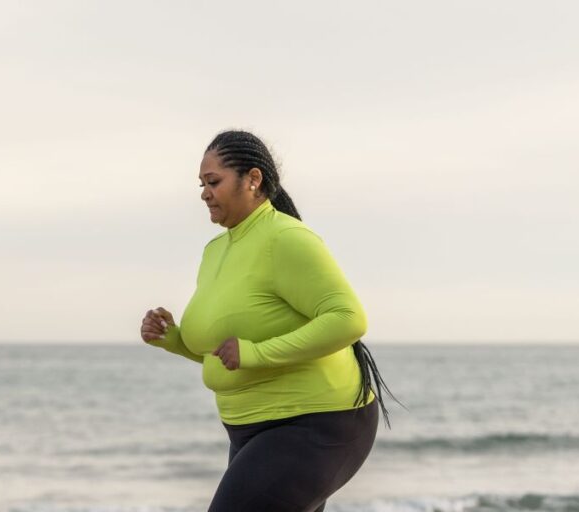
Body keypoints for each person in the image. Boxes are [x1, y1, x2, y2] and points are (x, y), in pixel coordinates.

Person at [139, 130, 405, 512]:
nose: (204, 193)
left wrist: (256, 353)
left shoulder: (286, 239)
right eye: (202, 184)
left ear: (253, 179)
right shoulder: (215, 251)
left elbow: (349, 319)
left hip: (318, 421)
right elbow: (227, 353)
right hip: (250, 428)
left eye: (214, 182)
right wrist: (174, 339)